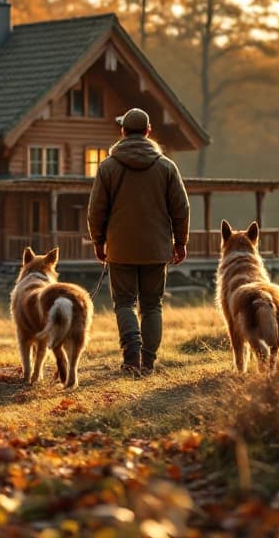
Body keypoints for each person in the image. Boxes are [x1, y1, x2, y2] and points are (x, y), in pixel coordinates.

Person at [87, 108, 190, 375]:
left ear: (122, 132)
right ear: (148, 131)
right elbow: (181, 208)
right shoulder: (166, 166)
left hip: (120, 248)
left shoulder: (108, 167)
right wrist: (180, 242)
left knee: (124, 303)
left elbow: (96, 209)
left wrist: (98, 241)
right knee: (152, 305)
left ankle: (131, 354)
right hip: (156, 248)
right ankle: (149, 362)